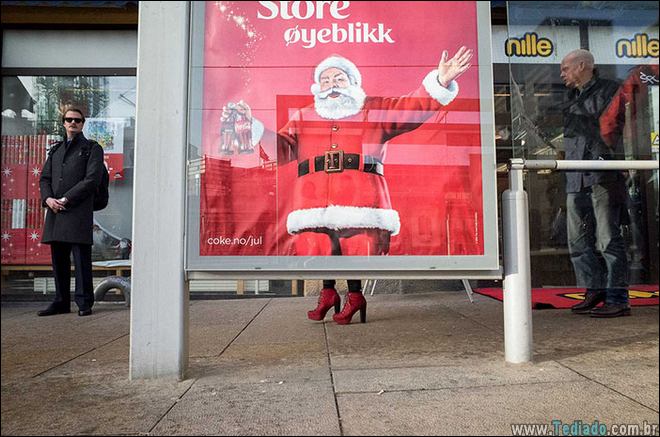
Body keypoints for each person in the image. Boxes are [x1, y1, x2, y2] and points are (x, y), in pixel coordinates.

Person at [225, 48, 472, 324]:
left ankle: (355, 297)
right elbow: (282, 150)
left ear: (353, 83)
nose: (332, 85)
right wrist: (254, 127)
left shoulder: (374, 110)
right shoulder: (304, 116)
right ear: (318, 86)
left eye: (339, 79)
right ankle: (328, 294)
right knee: (319, 249)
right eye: (326, 80)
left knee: (354, 249)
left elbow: (410, 109)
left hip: (361, 198)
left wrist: (439, 81)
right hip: (312, 199)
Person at [559, 49, 630, 318]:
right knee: (576, 238)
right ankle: (594, 289)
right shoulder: (570, 96)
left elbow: (600, 121)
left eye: (566, 68)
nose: (562, 74)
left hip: (602, 172)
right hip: (575, 173)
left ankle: (618, 296)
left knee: (607, 237)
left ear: (582, 65)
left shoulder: (610, 90)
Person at [37, 108, 104, 317]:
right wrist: (48, 200)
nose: (73, 123)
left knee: (81, 258)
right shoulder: (56, 150)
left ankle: (84, 303)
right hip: (55, 210)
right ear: (63, 123)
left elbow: (92, 179)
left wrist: (66, 199)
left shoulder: (92, 148)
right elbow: (44, 179)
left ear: (83, 124)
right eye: (69, 120)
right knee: (59, 258)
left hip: (77, 210)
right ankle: (61, 301)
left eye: (77, 120)